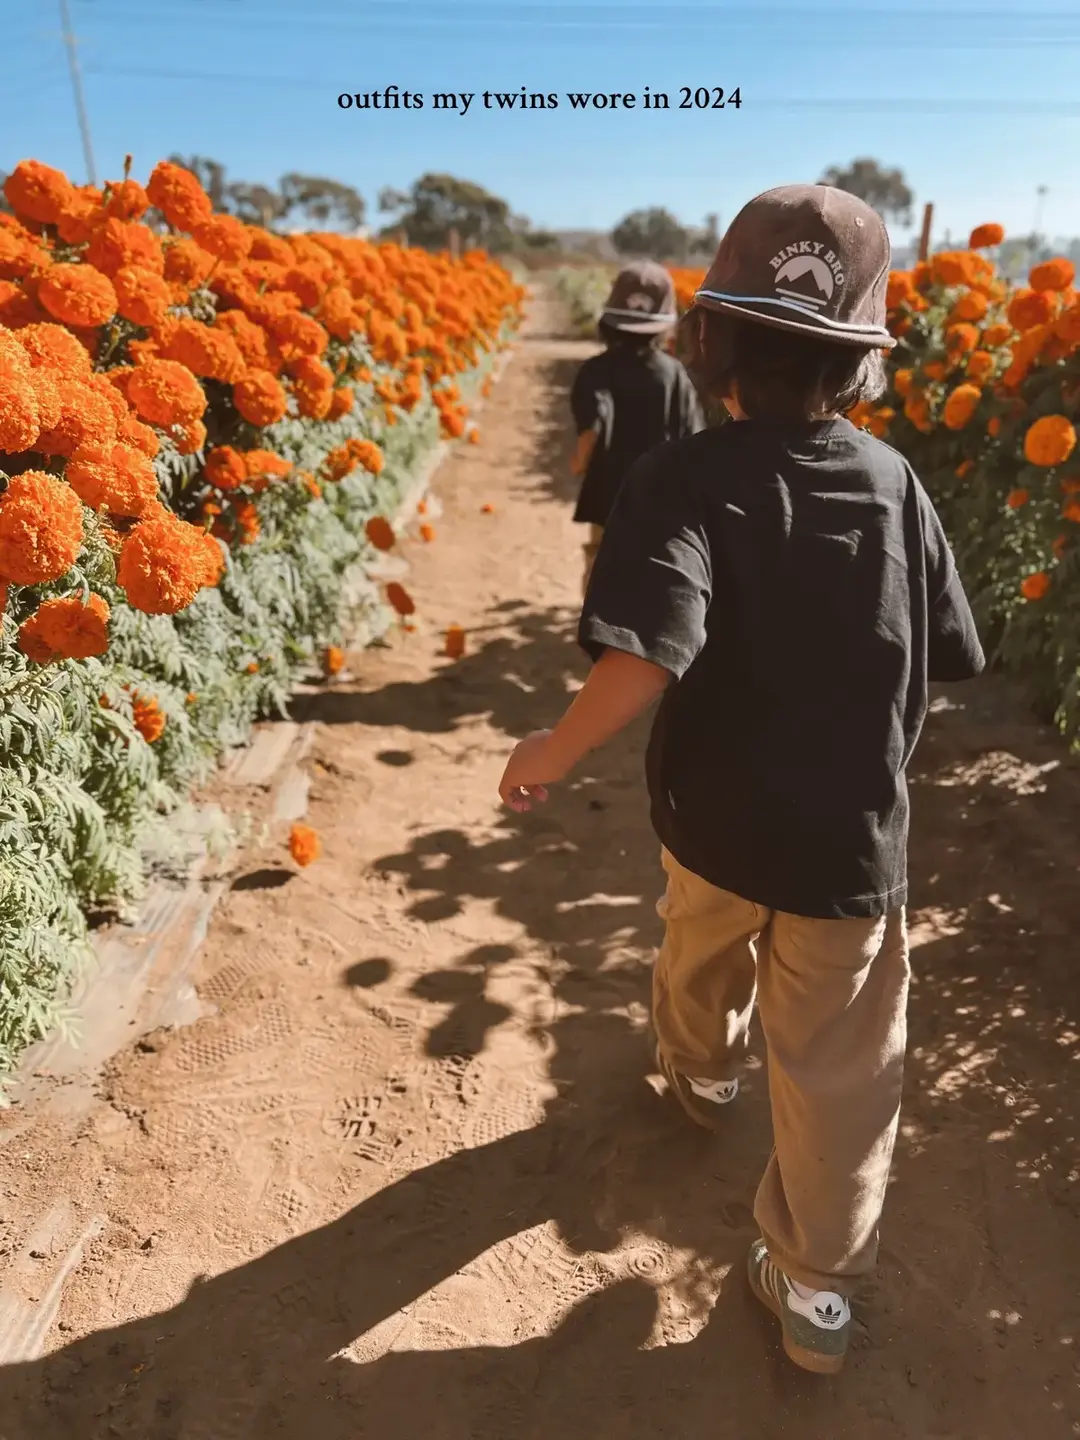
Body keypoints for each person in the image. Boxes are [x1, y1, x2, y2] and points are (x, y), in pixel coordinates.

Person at [498, 184, 985, 1376]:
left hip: (713, 823)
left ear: (706, 340)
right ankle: (816, 1288)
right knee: (840, 1069)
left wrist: (550, 752)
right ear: (863, 366)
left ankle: (700, 1070)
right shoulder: (896, 486)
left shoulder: (681, 479)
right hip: (848, 851)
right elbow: (951, 656)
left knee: (696, 949)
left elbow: (646, 650)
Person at [569, 260, 704, 592]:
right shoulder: (675, 375)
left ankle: (598, 634)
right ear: (665, 323)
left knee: (602, 560)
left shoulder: (594, 370)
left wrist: (580, 463)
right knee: (652, 567)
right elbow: (693, 439)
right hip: (659, 492)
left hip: (607, 493)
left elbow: (592, 425)